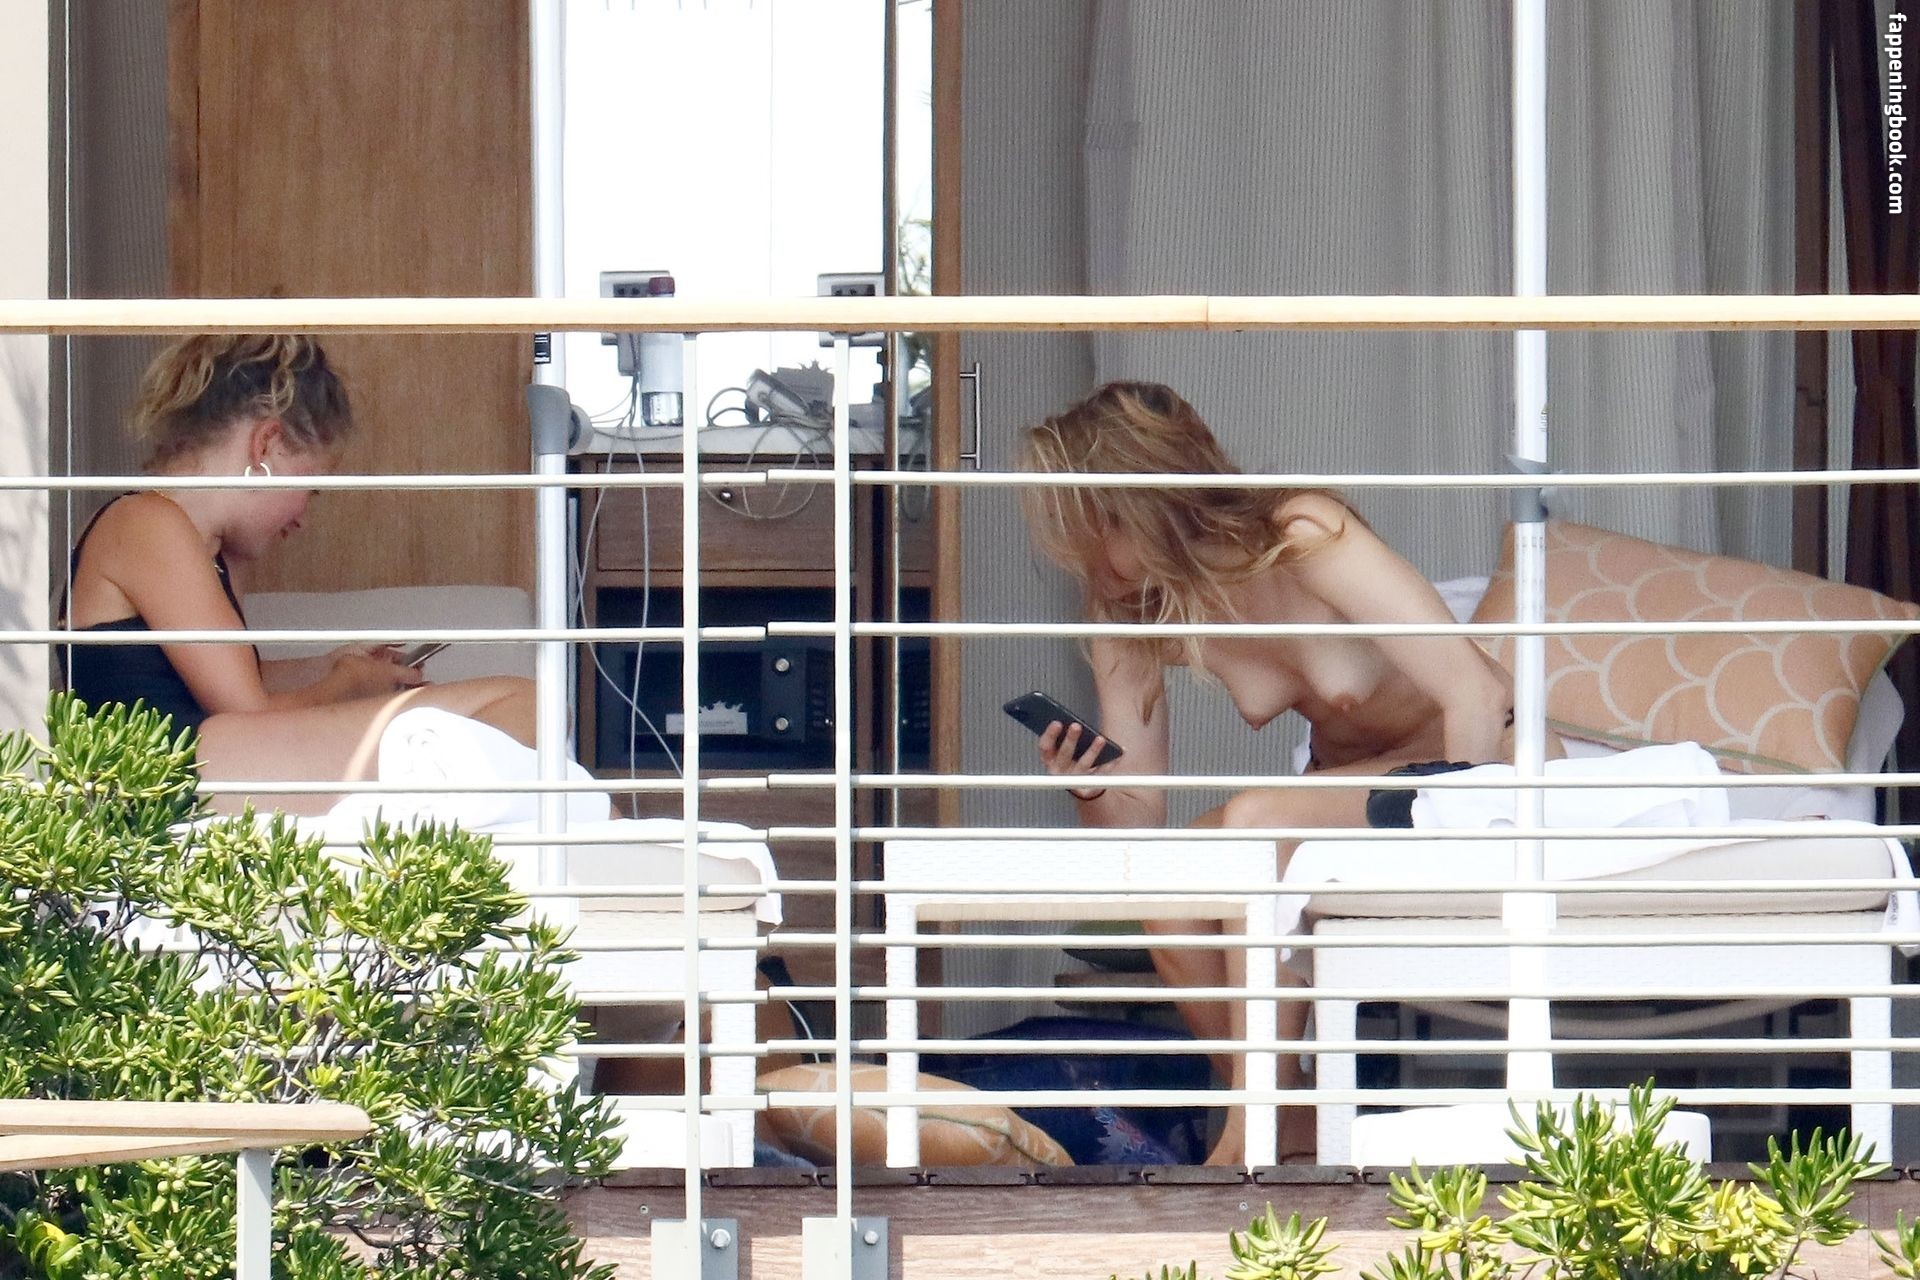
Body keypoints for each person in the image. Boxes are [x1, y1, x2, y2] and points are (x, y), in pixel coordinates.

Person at [1020, 380, 1542, 1164]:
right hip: (1359, 793)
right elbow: (1136, 821)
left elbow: (1478, 691)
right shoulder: (1126, 611)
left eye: (1090, 526)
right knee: (1168, 882)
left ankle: (1249, 1130)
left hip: (1479, 764)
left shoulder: (1304, 533)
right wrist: (1090, 785)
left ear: (1144, 502)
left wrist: (1455, 842)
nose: (1077, 554)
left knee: (1255, 822)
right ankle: (1282, 1108)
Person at [62, 334, 536, 816]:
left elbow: (231, 679)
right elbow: (248, 711)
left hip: (210, 760)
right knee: (519, 704)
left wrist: (331, 666)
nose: (302, 519)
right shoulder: (145, 523)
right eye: (310, 489)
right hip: (166, 777)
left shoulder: (208, 547)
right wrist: (347, 686)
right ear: (265, 445)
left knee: (520, 710)